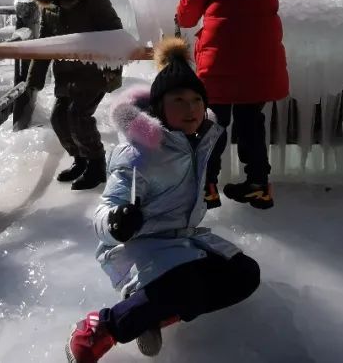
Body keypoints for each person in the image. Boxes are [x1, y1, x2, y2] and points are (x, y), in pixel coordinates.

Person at [66, 38, 260, 362]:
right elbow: (102, 212)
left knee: (244, 274)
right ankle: (102, 327)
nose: (191, 109)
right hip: (137, 244)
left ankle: (155, 313)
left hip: (183, 241)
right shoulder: (139, 153)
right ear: (159, 107)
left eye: (197, 100)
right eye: (179, 100)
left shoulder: (199, 142)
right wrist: (117, 222)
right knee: (188, 285)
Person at [176, 0, 288, 210]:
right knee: (252, 120)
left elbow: (187, 14)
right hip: (261, 52)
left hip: (221, 54)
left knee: (212, 120)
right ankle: (258, 185)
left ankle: (207, 186)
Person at [21, 0, 122, 191]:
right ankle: (81, 159)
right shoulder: (50, 6)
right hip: (65, 74)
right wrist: (35, 77)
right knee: (59, 119)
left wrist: (113, 69)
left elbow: (114, 31)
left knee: (78, 116)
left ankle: (97, 164)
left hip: (94, 71)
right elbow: (46, 42)